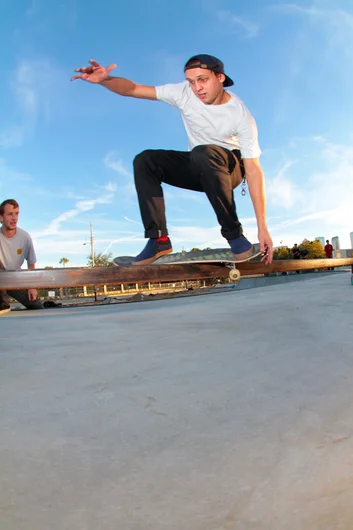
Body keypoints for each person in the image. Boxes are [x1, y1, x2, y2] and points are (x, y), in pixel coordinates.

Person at [72, 55, 273, 265]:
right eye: (191, 82)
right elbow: (133, 89)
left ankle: (235, 236)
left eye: (203, 80)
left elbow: (253, 170)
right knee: (146, 160)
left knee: (205, 153)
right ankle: (159, 239)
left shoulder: (240, 115)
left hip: (230, 170)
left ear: (220, 77)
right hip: (200, 167)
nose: (197, 88)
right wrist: (105, 80)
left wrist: (262, 227)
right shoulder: (183, 93)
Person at [0, 199, 43, 315]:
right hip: (1, 278)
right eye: (10, 214)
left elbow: (31, 263)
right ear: (1, 217)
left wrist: (32, 287)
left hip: (15, 279)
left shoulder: (25, 237)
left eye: (16, 213)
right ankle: (2, 302)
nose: (14, 218)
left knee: (37, 306)